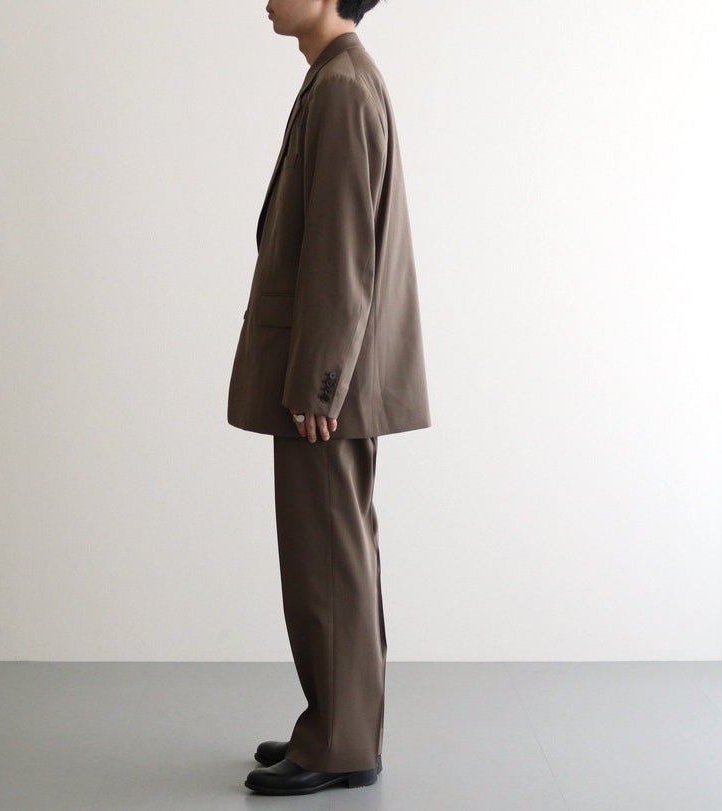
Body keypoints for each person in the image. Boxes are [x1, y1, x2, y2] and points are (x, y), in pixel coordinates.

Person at [227, 0, 431, 796]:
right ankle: (335, 724)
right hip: (331, 372)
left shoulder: (343, 86)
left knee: (328, 560)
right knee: (331, 553)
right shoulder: (335, 78)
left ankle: (341, 743)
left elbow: (342, 248)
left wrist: (318, 383)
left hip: (326, 381)